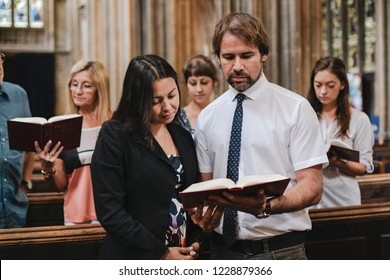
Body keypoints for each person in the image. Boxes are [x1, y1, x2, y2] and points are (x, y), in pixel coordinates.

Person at [190, 12, 329, 260]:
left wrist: (266, 207)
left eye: (247, 55)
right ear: (217, 59)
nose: (238, 66)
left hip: (280, 251)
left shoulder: (295, 108)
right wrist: (203, 215)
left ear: (263, 54)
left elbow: (312, 186)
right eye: (228, 57)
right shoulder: (208, 117)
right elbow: (207, 186)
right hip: (224, 251)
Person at [91, 54, 202, 260]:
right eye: (156, 101)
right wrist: (161, 254)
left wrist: (196, 240)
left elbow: (189, 195)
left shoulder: (182, 135)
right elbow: (110, 211)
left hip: (183, 253)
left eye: (172, 95)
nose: (167, 106)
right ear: (137, 100)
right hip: (136, 256)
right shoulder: (115, 135)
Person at [34, 60, 111, 225]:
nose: (77, 91)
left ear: (100, 88)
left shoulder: (115, 124)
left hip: (113, 215)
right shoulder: (63, 127)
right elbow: (61, 185)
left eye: (86, 86)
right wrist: (48, 168)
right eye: (74, 84)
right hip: (77, 217)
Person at [307, 56, 374, 208]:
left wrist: (337, 161)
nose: (323, 91)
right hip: (309, 200)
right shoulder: (304, 116)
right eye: (318, 85)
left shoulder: (359, 119)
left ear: (342, 84)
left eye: (330, 85)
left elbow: (363, 166)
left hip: (343, 199)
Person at [0, 51, 35, 228]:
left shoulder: (18, 94)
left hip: (15, 208)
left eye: (0, 58)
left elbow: (30, 146)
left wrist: (26, 182)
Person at [180, 55, 218, 136]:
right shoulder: (178, 117)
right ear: (186, 84)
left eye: (204, 82)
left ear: (214, 82)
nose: (199, 89)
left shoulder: (222, 112)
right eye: (193, 83)